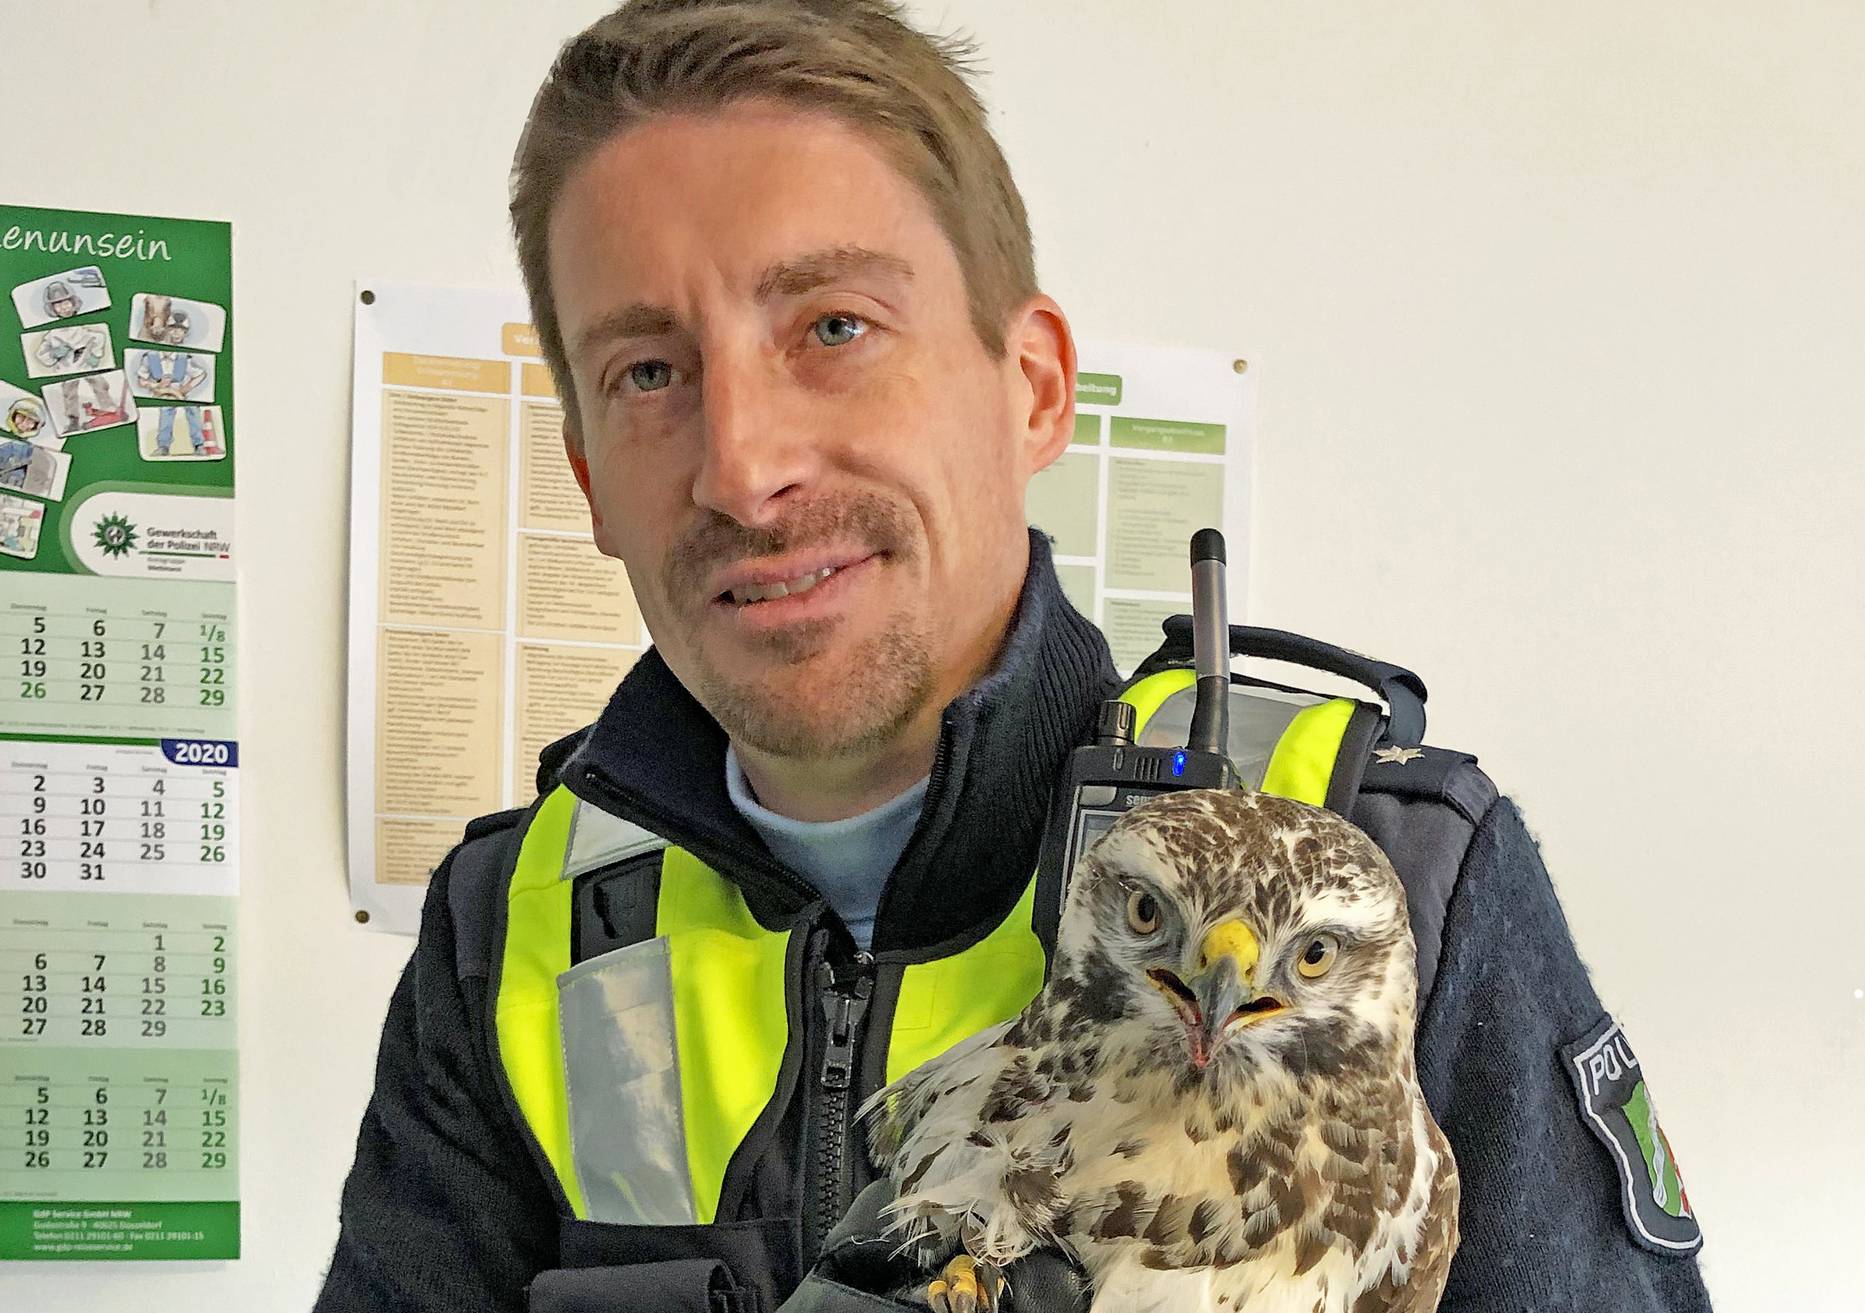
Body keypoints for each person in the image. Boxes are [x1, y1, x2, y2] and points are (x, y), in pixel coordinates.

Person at [316, 4, 1715, 1312]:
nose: (743, 468)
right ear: (587, 478)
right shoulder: (510, 930)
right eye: (649, 373)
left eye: (835, 328)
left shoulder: (1398, 867)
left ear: (1033, 386)